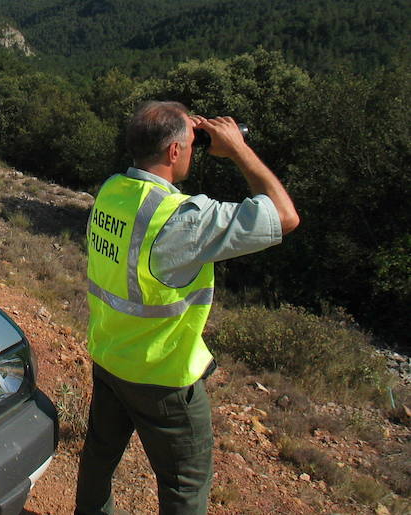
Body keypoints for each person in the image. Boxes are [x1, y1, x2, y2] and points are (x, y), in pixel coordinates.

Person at [75, 100, 300, 515]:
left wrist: (176, 126)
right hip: (164, 377)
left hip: (109, 357)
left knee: (98, 459)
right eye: (190, 145)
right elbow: (285, 216)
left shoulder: (112, 191)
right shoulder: (182, 220)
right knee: (185, 486)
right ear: (174, 151)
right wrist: (238, 150)